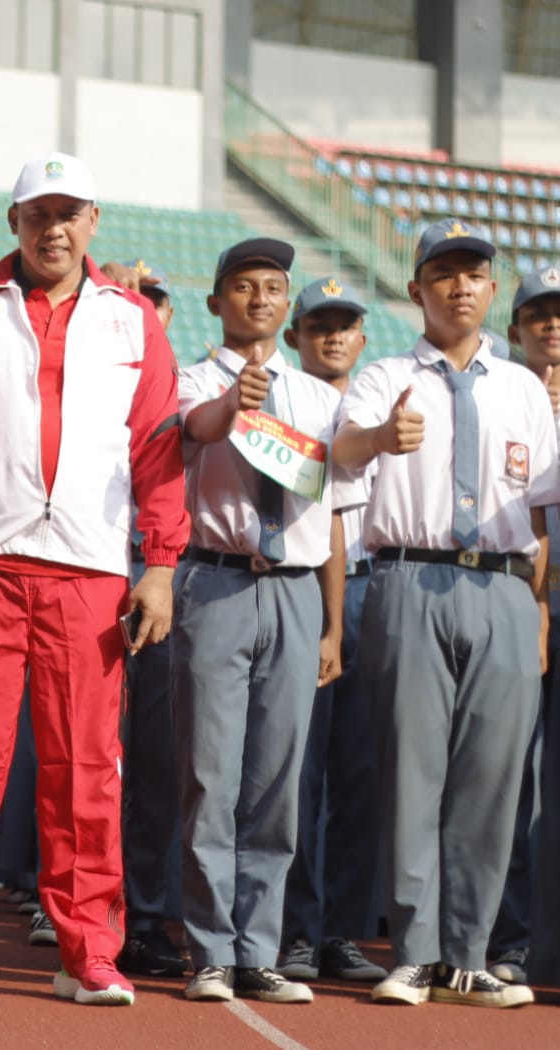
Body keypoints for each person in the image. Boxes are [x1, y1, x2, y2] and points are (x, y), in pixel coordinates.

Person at [0, 153, 188, 1005]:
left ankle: (88, 952)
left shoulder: (133, 321)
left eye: (67, 213)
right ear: (12, 223)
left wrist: (159, 565)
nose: (50, 228)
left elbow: (159, 449)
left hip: (87, 566)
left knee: (84, 768)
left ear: (92, 220)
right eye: (34, 213)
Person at [333, 219, 554, 1009]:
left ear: (492, 289)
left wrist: (538, 607)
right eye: (444, 272)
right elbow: (336, 455)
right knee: (410, 771)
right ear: (415, 288)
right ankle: (413, 952)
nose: (461, 286)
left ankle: (466, 954)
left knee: (491, 782)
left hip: (502, 587)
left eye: (474, 273)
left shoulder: (523, 387)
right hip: (407, 579)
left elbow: (544, 507)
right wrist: (378, 437)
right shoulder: (387, 376)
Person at [172, 239, 344, 1005]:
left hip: (296, 591)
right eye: (243, 287)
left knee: (276, 781)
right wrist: (230, 405)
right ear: (216, 302)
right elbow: (194, 430)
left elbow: (334, 515)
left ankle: (258, 948)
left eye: (273, 288)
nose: (260, 300)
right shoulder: (187, 380)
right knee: (211, 775)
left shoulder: (316, 397)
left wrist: (333, 626)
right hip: (215, 582)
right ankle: (208, 948)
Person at [276, 277, 387, 986]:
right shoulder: (286, 403)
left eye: (344, 325)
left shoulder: (389, 395)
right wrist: (327, 620)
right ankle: (294, 928)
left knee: (361, 772)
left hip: (382, 588)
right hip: (306, 588)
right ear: (294, 337)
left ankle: (342, 929)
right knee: (298, 774)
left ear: (362, 336)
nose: (333, 336)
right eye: (318, 325)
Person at [110, 258, 188, 980]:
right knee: (119, 760)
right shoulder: (102, 366)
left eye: (154, 301)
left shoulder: (181, 381)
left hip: (173, 578)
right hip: (108, 574)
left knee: (172, 762)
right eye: (132, 298)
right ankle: (117, 910)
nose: (144, 309)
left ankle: (157, 912)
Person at [484, 264, 560, 988]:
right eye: (538, 314)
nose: (551, 325)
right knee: (512, 784)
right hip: (522, 607)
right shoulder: (497, 398)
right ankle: (512, 938)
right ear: (513, 329)